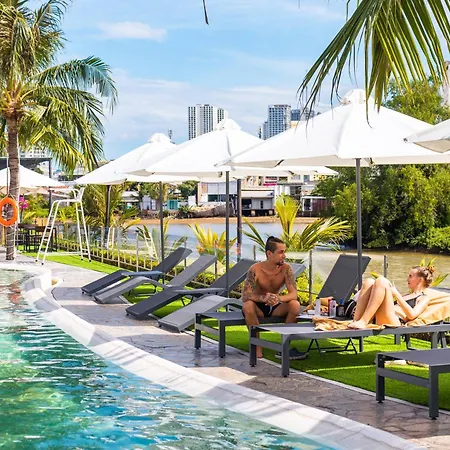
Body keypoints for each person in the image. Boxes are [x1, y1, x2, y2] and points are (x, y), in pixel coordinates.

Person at [242, 236, 307, 360]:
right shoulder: (255, 269)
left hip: (276, 306)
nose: (284, 255)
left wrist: (278, 299)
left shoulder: (286, 269)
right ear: (269, 253)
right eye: (281, 252)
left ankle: (284, 346)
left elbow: (294, 294)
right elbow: (246, 295)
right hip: (258, 307)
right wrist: (263, 298)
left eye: (284, 252)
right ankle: (257, 347)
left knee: (295, 304)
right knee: (248, 305)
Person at [348, 265, 434, 329]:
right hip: (382, 316)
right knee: (369, 282)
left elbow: (412, 315)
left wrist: (396, 294)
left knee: (381, 281)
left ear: (419, 280)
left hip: (395, 321)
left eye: (410, 276)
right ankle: (356, 320)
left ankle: (363, 321)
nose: (407, 279)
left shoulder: (423, 298)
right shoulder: (406, 295)